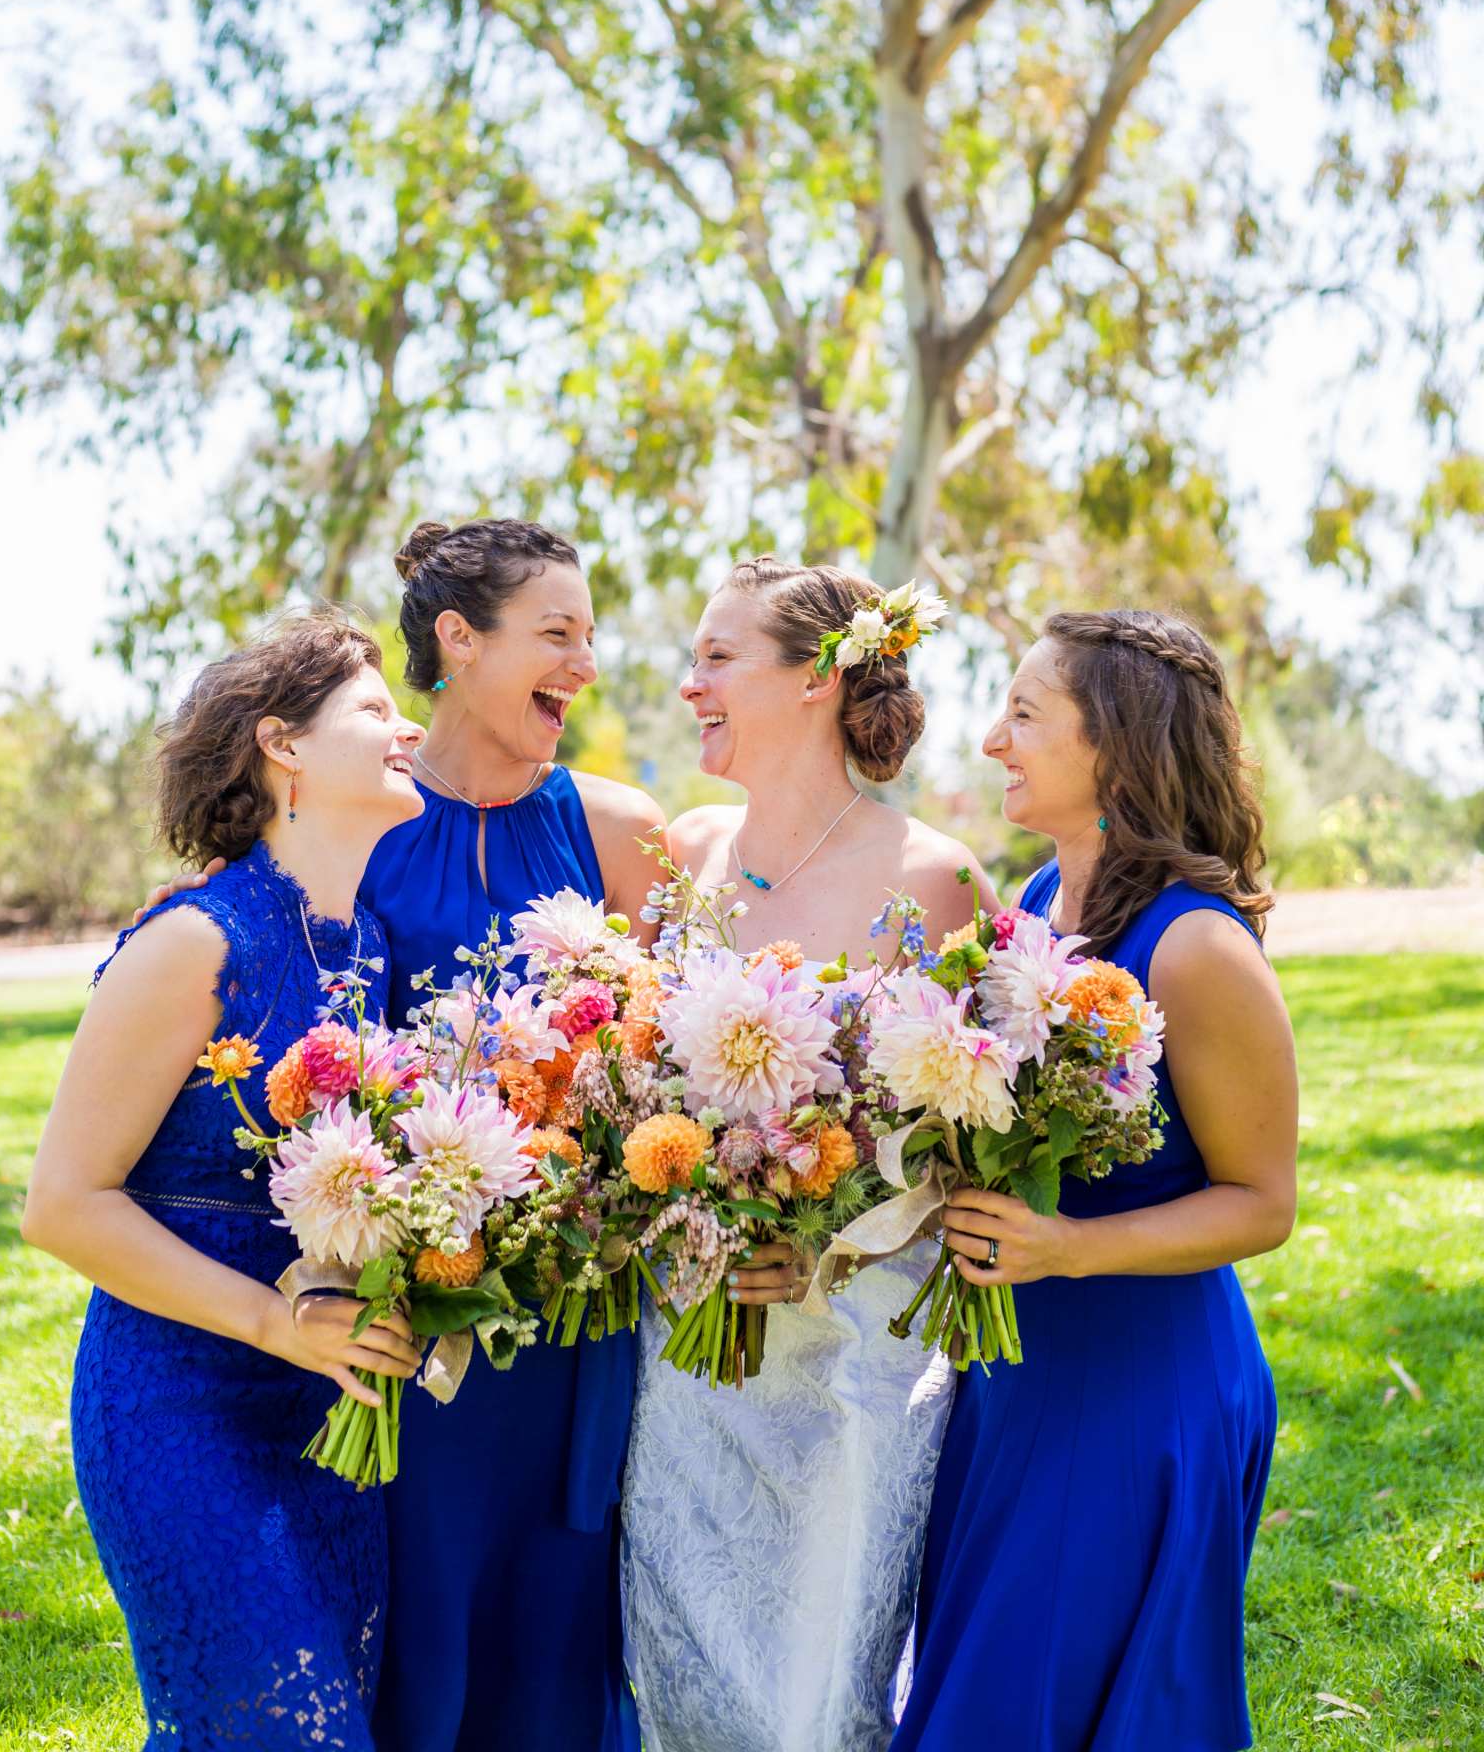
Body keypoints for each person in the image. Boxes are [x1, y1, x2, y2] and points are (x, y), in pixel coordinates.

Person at [136, 521, 667, 1752]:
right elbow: (263, 982)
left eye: (590, 635)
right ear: (458, 640)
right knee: (410, 1636)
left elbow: (663, 1064)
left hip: (573, 1317)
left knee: (559, 1634)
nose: (584, 662)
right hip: (396, 1311)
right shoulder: (356, 814)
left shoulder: (619, 828)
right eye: (557, 633)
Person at [894, 608, 1296, 1752]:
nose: (990, 741)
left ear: (1111, 745)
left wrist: (1068, 1248)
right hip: (1017, 1374)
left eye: (1023, 715)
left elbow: (1264, 1203)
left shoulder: (1195, 948)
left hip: (1140, 1394)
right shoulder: (1028, 909)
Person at [23, 612, 425, 1751]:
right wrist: (269, 1319)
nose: (407, 727)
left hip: (326, 1407)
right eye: (373, 709)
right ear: (281, 745)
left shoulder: (369, 946)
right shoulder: (197, 941)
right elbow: (63, 1206)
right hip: (182, 1406)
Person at [622, 557, 1001, 1752]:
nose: (690, 685)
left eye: (718, 658)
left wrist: (819, 1237)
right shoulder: (681, 853)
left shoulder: (934, 880)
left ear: (818, 681)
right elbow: (628, 1082)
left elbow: (967, 1142)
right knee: (681, 1664)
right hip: (688, 1357)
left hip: (854, 1363)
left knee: (824, 1688)